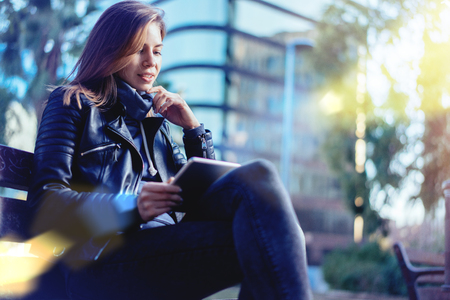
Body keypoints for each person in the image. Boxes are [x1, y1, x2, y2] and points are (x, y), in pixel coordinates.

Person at [27, 1, 312, 299]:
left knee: (259, 186)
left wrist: (192, 128)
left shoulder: (156, 123)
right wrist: (130, 206)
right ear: (110, 50)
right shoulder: (72, 103)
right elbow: (45, 204)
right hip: (97, 260)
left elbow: (208, 195)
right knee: (267, 238)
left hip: (159, 245)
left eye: (158, 50)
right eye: (139, 49)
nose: (151, 61)